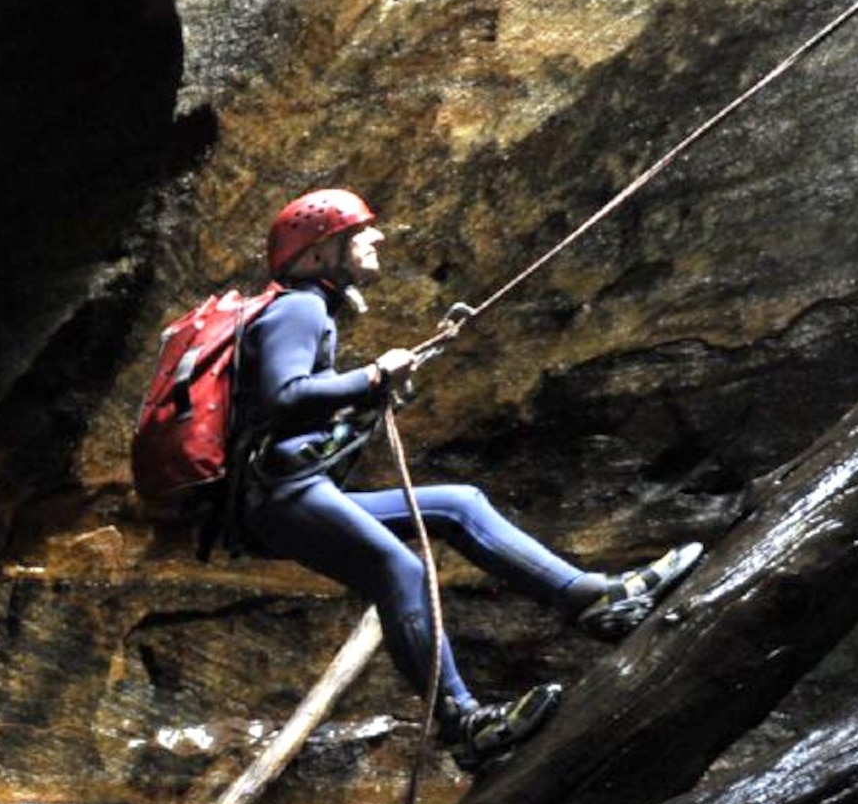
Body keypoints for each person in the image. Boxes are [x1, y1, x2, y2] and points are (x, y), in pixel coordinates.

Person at [232, 188, 700, 768]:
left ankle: (592, 600)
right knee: (397, 567)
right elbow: (286, 398)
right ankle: (464, 726)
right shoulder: (297, 308)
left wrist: (384, 378)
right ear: (322, 252)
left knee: (459, 504)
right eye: (360, 232)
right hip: (283, 496)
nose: (377, 238)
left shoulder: (309, 308)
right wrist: (373, 375)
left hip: (297, 491)